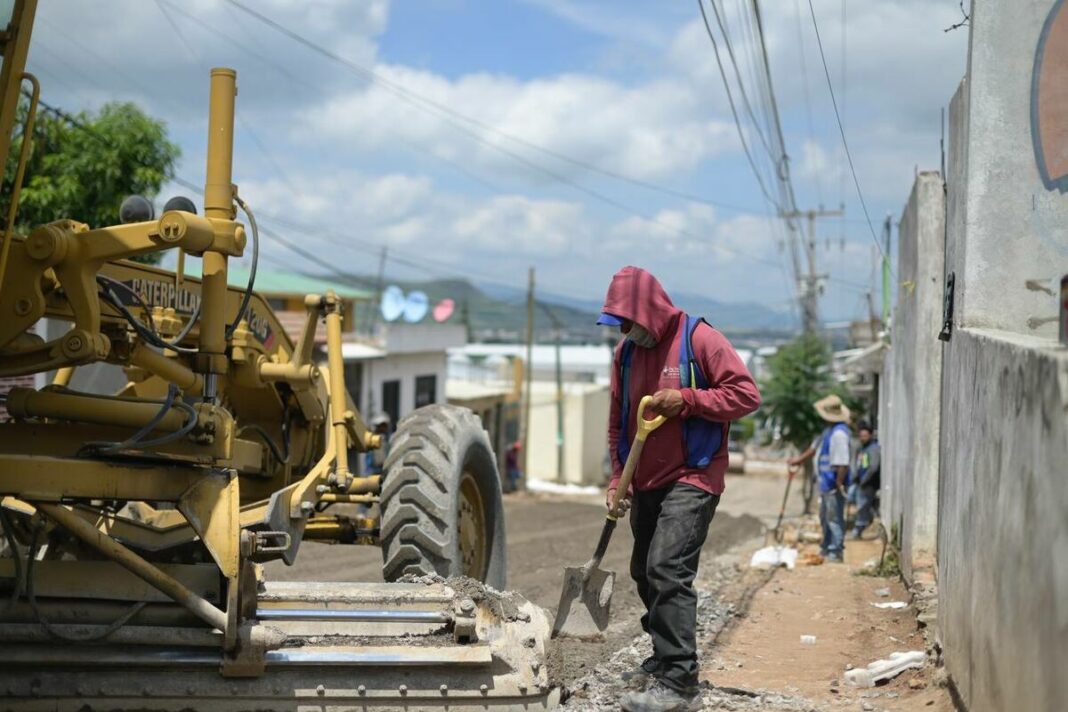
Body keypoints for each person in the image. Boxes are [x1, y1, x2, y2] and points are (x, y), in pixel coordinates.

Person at [599, 266, 761, 712]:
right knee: (642, 570)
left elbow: (746, 396)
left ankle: (678, 680)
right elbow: (619, 420)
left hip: (694, 473)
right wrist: (619, 477)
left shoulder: (700, 339)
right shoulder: (626, 354)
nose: (626, 330)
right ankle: (663, 654)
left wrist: (688, 400)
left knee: (667, 567)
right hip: (646, 477)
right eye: (619, 324)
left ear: (650, 310)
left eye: (629, 321)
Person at [788, 394, 852, 562]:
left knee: (834, 518)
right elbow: (813, 449)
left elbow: (843, 463)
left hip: (833, 483)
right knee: (825, 517)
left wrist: (839, 482)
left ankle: (835, 551)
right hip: (825, 482)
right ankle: (826, 547)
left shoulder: (839, 434)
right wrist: (798, 461)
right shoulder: (828, 431)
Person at [851, 420, 881, 539]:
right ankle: (861, 527)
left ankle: (858, 530)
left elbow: (873, 467)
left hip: (869, 484)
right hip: (862, 483)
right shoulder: (863, 448)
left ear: (870, 435)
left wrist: (864, 480)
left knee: (863, 507)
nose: (862, 438)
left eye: (865, 436)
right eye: (861, 436)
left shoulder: (873, 448)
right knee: (862, 506)